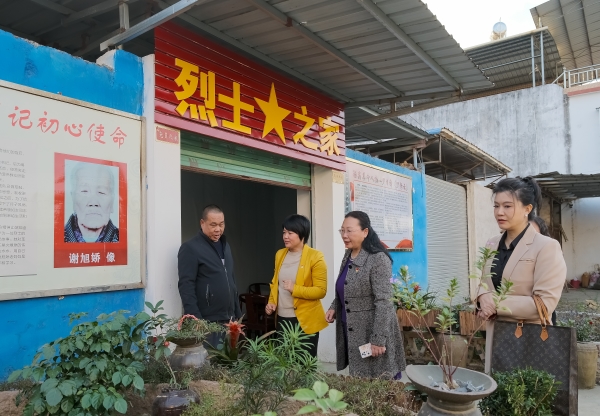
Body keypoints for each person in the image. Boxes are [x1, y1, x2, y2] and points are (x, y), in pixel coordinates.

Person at [477, 177, 566, 373]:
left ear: (527, 209)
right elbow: (483, 284)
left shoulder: (546, 246)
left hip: (529, 340)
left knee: (524, 390)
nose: (499, 212)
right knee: (495, 388)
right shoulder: (491, 244)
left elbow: (544, 304)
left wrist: (496, 303)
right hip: (495, 337)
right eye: (496, 206)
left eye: (507, 206)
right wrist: (481, 297)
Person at [325, 211, 406, 379]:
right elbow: (346, 286)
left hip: (371, 330)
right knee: (359, 377)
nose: (344, 235)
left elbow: (384, 301)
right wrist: (334, 306)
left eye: (349, 231)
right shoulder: (348, 254)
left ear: (365, 232)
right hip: (351, 328)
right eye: (342, 230)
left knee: (377, 379)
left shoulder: (378, 259)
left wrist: (378, 339)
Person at [178, 205, 242, 346]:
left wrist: (237, 313)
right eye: (213, 225)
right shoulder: (190, 248)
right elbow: (186, 285)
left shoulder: (226, 246)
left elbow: (231, 280)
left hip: (229, 320)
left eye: (221, 224)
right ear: (202, 223)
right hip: (207, 322)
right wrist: (196, 319)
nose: (218, 229)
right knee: (209, 358)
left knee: (228, 358)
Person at [265, 214, 327, 358]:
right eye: (284, 232)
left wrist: (295, 289)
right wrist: (272, 302)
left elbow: (321, 291)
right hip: (282, 319)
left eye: (290, 233)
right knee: (284, 363)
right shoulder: (280, 254)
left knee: (303, 364)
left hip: (304, 321)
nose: (285, 236)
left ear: (302, 234)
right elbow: (275, 283)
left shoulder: (315, 256)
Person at [64, 162, 119, 243]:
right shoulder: (54, 237)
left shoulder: (125, 239)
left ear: (112, 202)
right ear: (73, 199)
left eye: (101, 192)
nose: (93, 202)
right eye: (84, 191)